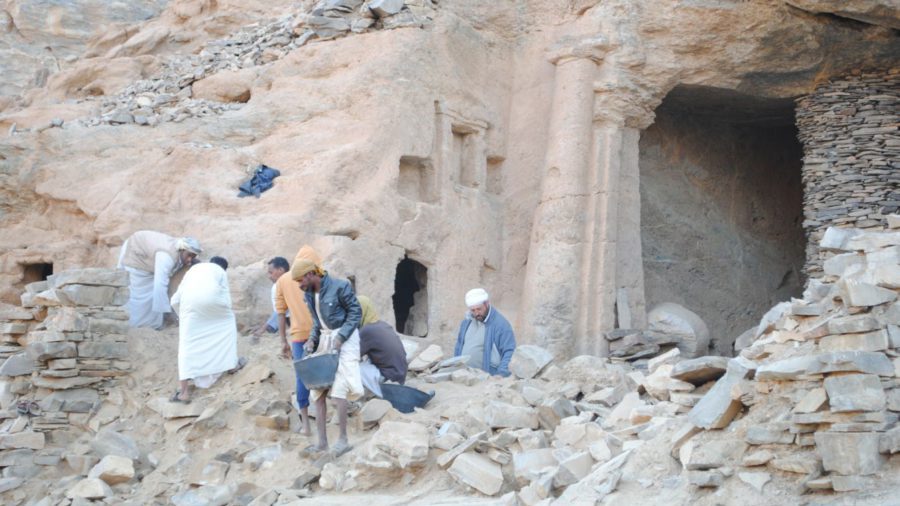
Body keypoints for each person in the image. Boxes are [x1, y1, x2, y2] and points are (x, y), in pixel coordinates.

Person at [294, 254, 362, 456]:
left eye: (300, 280)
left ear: (310, 274)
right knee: (318, 389)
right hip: (326, 338)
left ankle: (343, 440)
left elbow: (355, 313)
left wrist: (341, 337)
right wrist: (311, 340)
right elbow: (317, 322)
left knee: (340, 388)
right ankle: (322, 442)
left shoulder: (340, 286)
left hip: (345, 338)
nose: (299, 285)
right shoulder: (309, 294)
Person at [170, 257, 244, 403]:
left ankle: (184, 392)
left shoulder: (194, 269)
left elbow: (175, 300)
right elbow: (226, 299)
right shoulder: (220, 272)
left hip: (190, 307)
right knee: (228, 325)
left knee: (186, 346)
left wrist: (183, 318)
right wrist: (223, 314)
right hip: (213, 302)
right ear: (224, 268)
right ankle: (231, 365)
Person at [274, 247, 321, 435]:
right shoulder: (316, 275)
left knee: (302, 377)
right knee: (325, 373)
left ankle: (306, 425)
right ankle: (325, 418)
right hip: (321, 333)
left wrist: (283, 341)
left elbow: (280, 313)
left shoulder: (283, 281)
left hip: (298, 336)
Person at [117, 230, 201, 329]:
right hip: (135, 253)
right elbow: (160, 285)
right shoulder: (166, 256)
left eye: (193, 256)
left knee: (152, 297)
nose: (190, 259)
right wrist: (167, 311)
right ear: (182, 250)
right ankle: (134, 325)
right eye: (189, 255)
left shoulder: (179, 250)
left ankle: (150, 324)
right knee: (138, 297)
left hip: (147, 256)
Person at [453, 288, 516, 377]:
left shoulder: (500, 324)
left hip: (487, 379)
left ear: (486, 304)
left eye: (479, 309)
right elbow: (459, 346)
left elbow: (509, 351)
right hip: (464, 376)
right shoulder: (466, 322)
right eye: (473, 310)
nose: (476, 313)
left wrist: (501, 374)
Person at [357, 295, 408, 395]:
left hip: (390, 378)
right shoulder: (382, 325)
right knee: (366, 362)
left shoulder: (367, 330)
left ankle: (359, 396)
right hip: (400, 375)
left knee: (349, 368)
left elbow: (352, 355)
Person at [252, 257, 290, 342]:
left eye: (271, 272)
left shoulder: (280, 286)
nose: (269, 277)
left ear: (280, 270)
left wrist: (263, 329)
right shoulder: (288, 283)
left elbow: (281, 310)